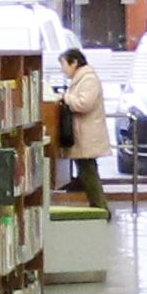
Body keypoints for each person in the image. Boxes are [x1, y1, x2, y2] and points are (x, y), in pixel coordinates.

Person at [50, 48, 111, 204]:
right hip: (83, 133)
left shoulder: (88, 79)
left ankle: (100, 206)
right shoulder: (81, 79)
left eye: (64, 64)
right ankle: (98, 205)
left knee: (88, 171)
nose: (63, 69)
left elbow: (84, 104)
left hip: (87, 135)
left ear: (74, 63)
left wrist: (66, 98)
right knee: (87, 170)